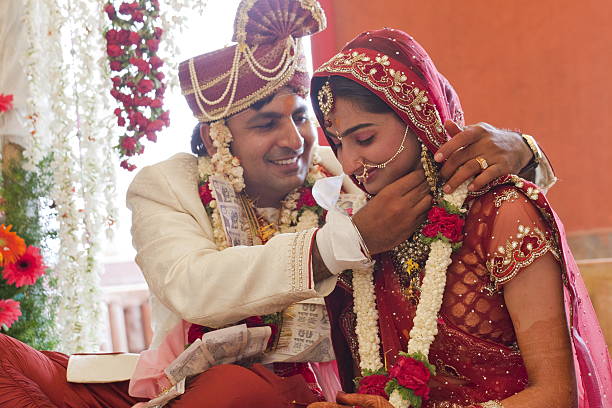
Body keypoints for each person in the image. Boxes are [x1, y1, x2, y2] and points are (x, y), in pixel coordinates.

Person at [0, 1, 555, 407]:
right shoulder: (166, 187)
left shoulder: (337, 170)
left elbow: (426, 161)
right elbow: (194, 286)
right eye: (266, 124)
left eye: (299, 117)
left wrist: (521, 150)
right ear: (219, 137)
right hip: (213, 392)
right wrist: (348, 241)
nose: (293, 140)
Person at [306, 28, 611, 408]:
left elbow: (556, 396)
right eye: (337, 143)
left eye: (364, 138)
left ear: (417, 119)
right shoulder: (364, 234)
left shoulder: (502, 212)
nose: (349, 163)